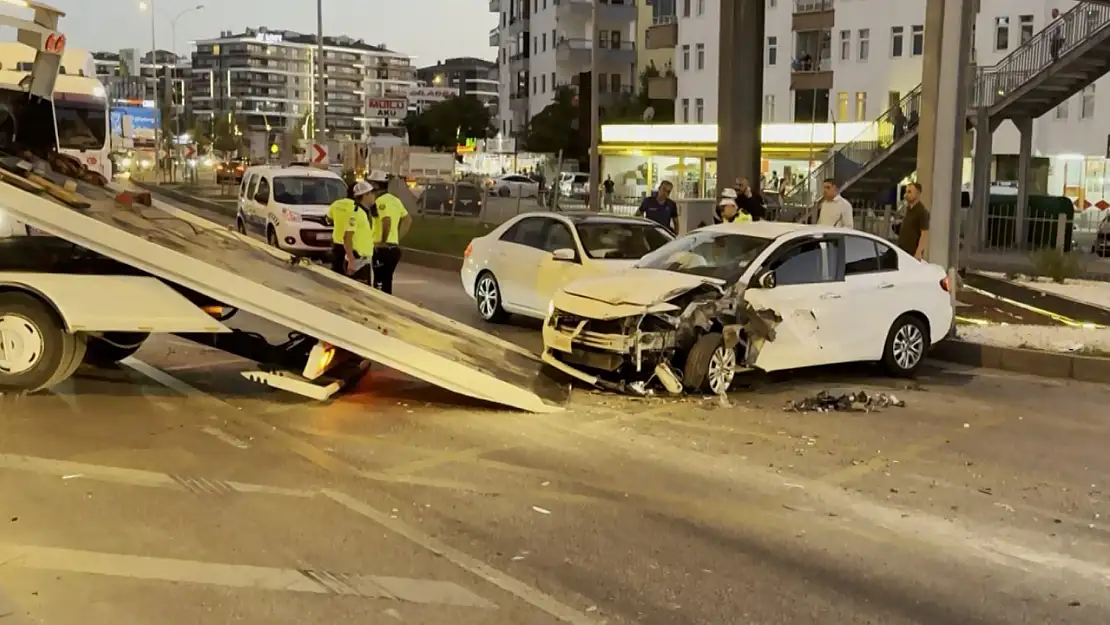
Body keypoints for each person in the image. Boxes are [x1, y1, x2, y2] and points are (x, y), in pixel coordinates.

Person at [368, 170, 412, 294]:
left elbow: (386, 221)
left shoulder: (380, 202)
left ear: (376, 185)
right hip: (393, 248)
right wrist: (397, 237)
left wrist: (382, 241)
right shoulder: (395, 200)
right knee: (387, 282)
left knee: (379, 284)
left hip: (382, 248)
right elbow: (408, 220)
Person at [341, 180, 378, 285]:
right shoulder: (355, 213)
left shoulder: (364, 213)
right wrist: (351, 260)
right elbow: (347, 237)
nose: (374, 196)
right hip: (358, 263)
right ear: (364, 195)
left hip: (365, 261)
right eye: (371, 193)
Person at [327, 183, 358, 274]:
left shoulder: (336, 204)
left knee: (336, 270)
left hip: (337, 243)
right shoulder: (357, 208)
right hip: (352, 244)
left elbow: (329, 218)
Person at [898, 182, 930, 260]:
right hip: (902, 251)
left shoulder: (922, 212)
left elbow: (924, 234)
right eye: (906, 191)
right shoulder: (908, 209)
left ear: (917, 194)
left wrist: (918, 253)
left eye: (909, 192)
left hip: (912, 253)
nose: (906, 194)